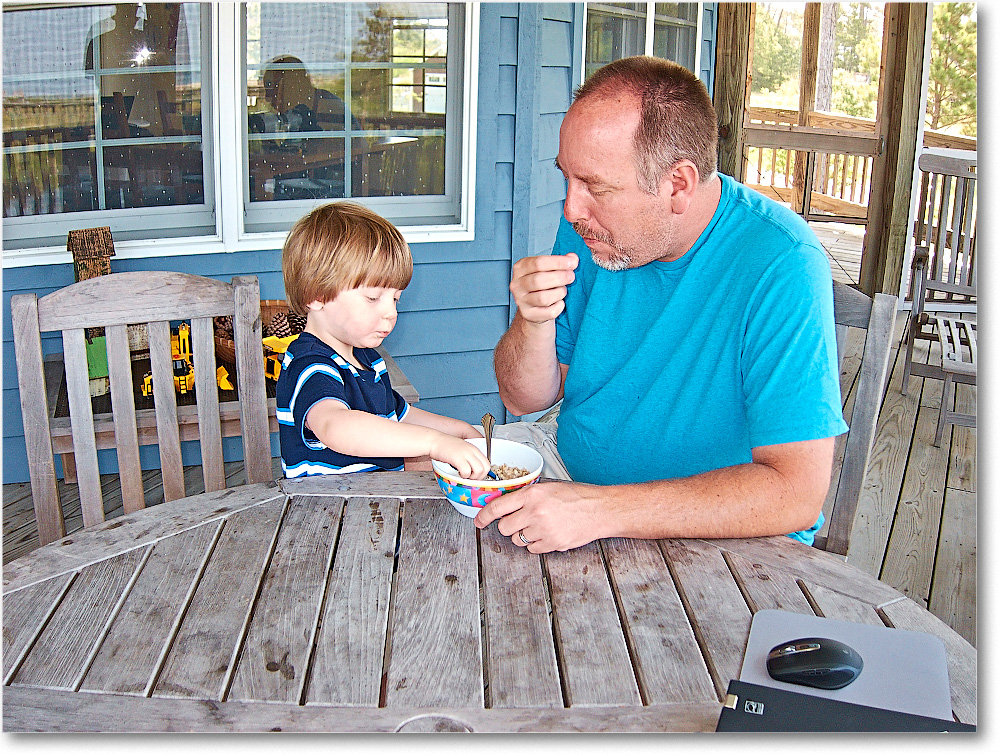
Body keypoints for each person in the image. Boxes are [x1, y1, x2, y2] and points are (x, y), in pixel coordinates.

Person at [478, 56, 848, 554]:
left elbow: (795, 493)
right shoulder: (589, 230)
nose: (571, 208)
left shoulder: (781, 262)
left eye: (597, 187)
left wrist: (600, 510)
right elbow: (526, 399)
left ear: (678, 184)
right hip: (572, 484)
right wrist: (533, 320)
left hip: (719, 539)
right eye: (568, 178)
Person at [277, 201, 490, 480]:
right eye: (373, 298)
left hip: (376, 497)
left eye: (395, 299)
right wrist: (434, 443)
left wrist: (459, 431)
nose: (390, 312)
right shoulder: (310, 365)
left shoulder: (366, 359)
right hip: (327, 511)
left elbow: (400, 415)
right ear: (315, 295)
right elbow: (336, 426)